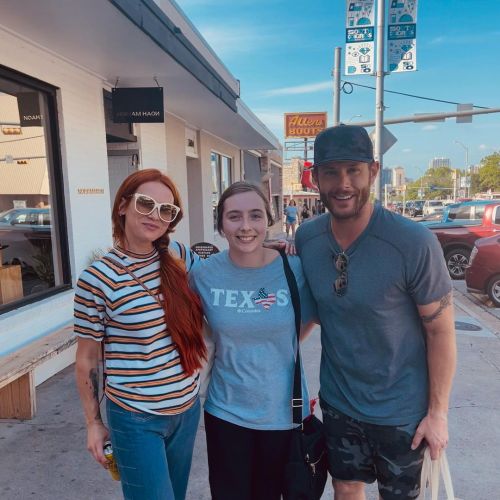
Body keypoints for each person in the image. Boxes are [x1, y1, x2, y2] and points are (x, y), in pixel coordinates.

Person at [295, 125, 456, 500]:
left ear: (373, 170)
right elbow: (316, 311)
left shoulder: (413, 242)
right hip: (339, 403)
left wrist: (438, 414)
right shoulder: (307, 238)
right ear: (315, 177)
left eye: (353, 170)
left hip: (403, 413)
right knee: (346, 487)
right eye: (331, 172)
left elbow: (441, 332)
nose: (343, 183)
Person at [74, 169, 206, 500]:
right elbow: (87, 358)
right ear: (122, 206)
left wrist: (273, 253)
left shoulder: (179, 256)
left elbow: (227, 275)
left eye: (166, 210)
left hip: (186, 409)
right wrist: (93, 422)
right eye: (146, 203)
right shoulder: (97, 278)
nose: (155, 215)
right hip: (135, 417)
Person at [189, 182, 316, 500]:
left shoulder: (295, 268)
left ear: (268, 220)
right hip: (226, 412)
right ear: (220, 225)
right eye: (234, 217)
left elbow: (309, 319)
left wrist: (278, 346)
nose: (245, 226)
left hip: (284, 414)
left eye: (255, 215)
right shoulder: (203, 275)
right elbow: (194, 329)